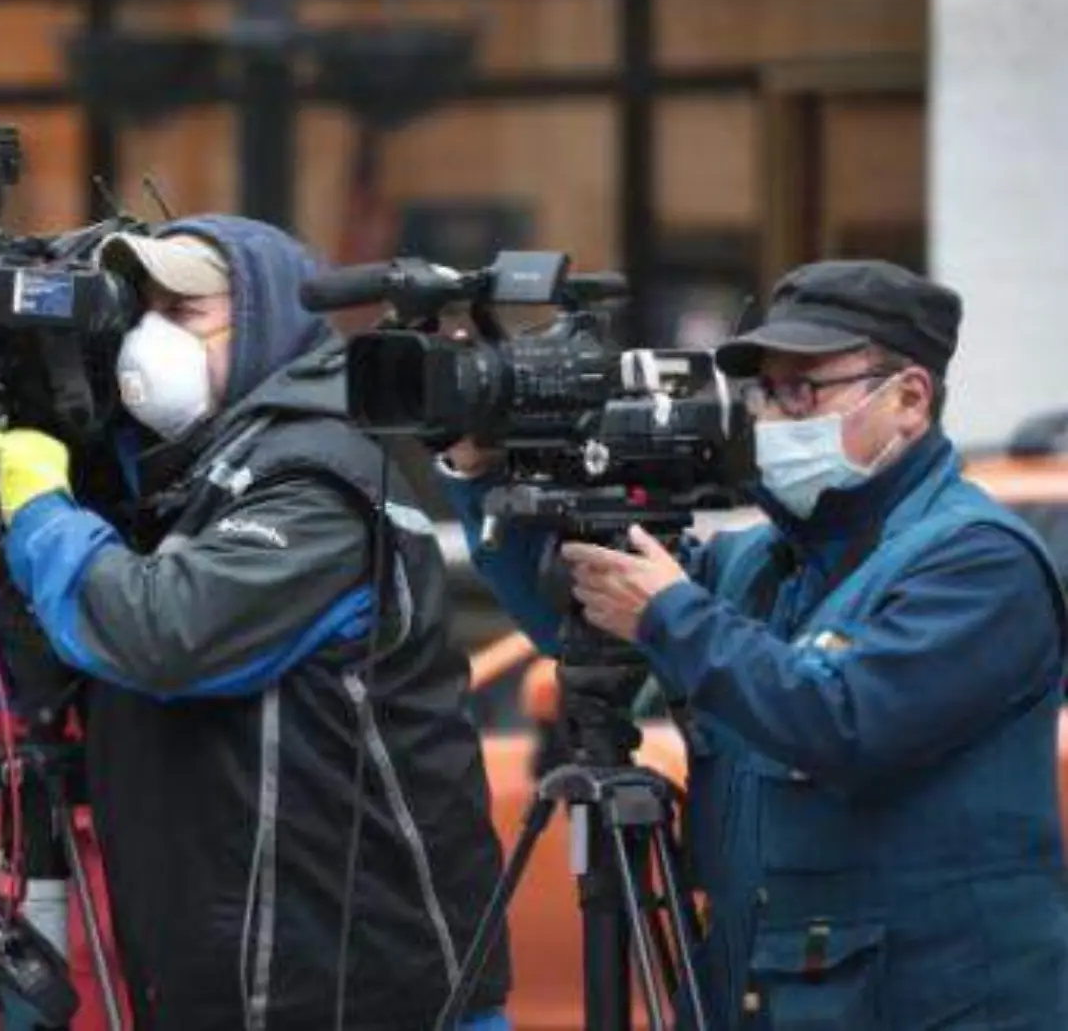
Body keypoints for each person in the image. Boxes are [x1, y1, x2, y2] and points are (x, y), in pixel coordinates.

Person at [0, 214, 513, 1030]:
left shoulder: (320, 478)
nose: (152, 339)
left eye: (186, 313)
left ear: (263, 326)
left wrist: (46, 507)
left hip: (356, 993)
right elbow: (7, 682)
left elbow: (163, 635)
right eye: (141, 312)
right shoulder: (154, 486)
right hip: (211, 985)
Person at [440, 259, 1068, 1029]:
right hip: (768, 991)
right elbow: (579, 612)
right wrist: (479, 466)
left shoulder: (978, 560)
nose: (775, 414)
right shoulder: (760, 561)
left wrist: (668, 613)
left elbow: (844, 719)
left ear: (909, 398)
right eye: (766, 390)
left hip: (931, 1003)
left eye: (805, 389)